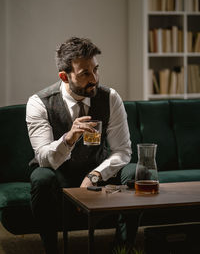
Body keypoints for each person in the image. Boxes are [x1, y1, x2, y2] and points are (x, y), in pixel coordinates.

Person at [26, 37, 138, 254]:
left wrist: (95, 175)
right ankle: (51, 249)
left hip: (97, 169)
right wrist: (69, 138)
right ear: (64, 76)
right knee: (40, 178)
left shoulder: (110, 98)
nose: (94, 78)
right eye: (85, 73)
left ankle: (123, 247)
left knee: (137, 171)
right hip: (59, 173)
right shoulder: (38, 102)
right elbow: (43, 157)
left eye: (96, 69)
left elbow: (122, 150)